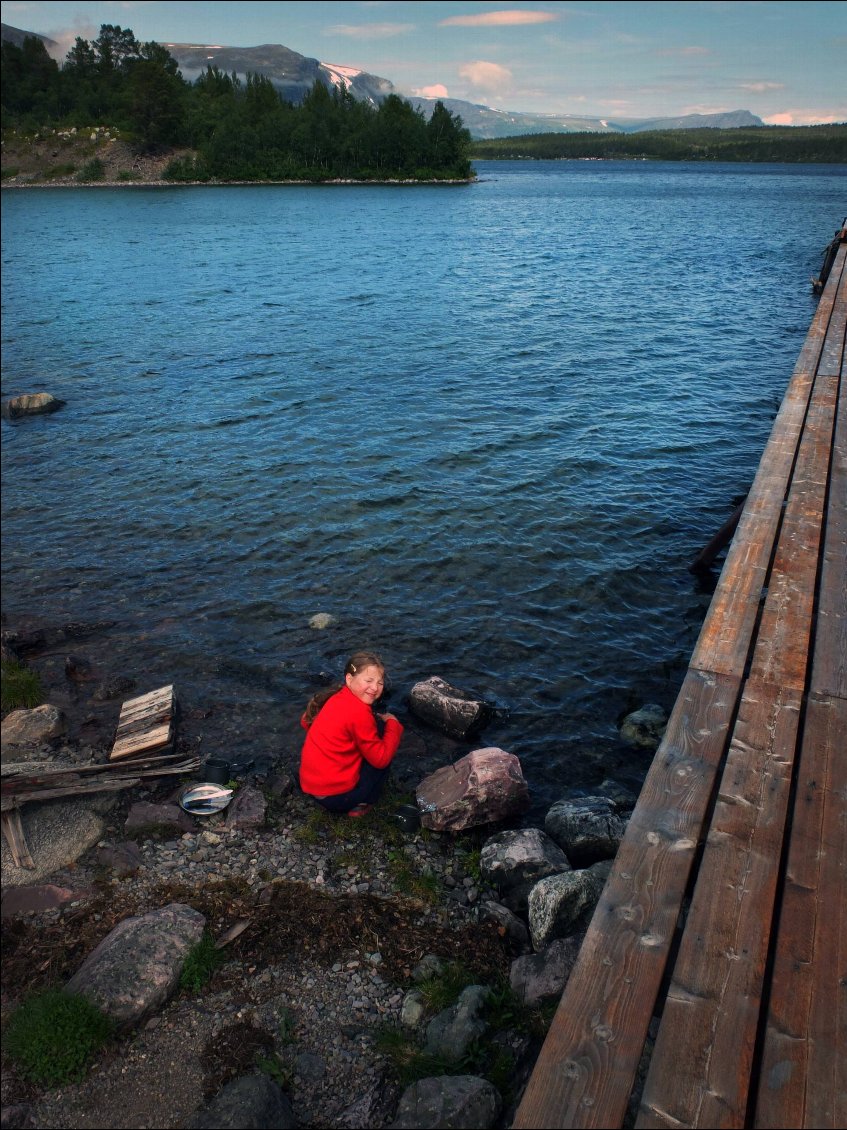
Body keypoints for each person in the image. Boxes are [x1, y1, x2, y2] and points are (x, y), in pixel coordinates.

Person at [299, 651, 403, 817]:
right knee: (384, 745)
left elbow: (305, 722)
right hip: (335, 798)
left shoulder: (335, 697)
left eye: (380, 683)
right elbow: (381, 759)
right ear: (349, 679)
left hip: (311, 785)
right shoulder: (359, 713)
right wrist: (393, 725)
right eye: (368, 681)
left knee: (372, 732)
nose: (375, 688)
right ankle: (361, 805)